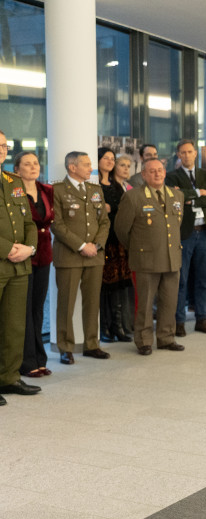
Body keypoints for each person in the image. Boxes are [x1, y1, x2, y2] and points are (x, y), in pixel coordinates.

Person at [115, 159, 185, 355]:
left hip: (172, 258)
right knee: (145, 304)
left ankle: (166, 338)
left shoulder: (177, 195)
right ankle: (144, 340)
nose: (157, 174)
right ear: (143, 175)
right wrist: (139, 247)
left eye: (160, 170)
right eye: (152, 171)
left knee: (169, 301)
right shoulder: (133, 197)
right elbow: (122, 230)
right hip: (145, 259)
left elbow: (176, 224)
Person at [51, 151, 111, 365]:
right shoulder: (57, 190)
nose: (90, 168)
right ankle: (65, 348)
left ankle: (92, 344)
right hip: (69, 256)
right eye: (86, 164)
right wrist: (81, 245)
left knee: (92, 302)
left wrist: (96, 245)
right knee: (66, 303)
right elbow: (56, 224)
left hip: (95, 255)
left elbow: (104, 221)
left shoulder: (95, 190)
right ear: (72, 167)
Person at [166, 139, 206, 336]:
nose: (187, 155)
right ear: (178, 155)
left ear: (195, 153)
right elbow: (174, 198)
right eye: (183, 152)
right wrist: (198, 192)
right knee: (181, 280)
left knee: (203, 280)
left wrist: (189, 197)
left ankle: (202, 319)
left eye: (190, 152)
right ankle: (179, 321)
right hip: (184, 234)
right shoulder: (172, 177)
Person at [1, 142, 42, 403]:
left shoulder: (12, 180)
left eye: (3, 145)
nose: (1, 149)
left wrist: (29, 247)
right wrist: (7, 248)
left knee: (14, 325)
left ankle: (8, 377)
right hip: (3, 256)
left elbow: (28, 220)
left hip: (19, 263)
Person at [15, 152, 53, 378]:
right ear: (17, 169)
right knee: (24, 310)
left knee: (38, 308)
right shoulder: (13, 191)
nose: (33, 167)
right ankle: (26, 361)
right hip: (23, 254)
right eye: (27, 164)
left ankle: (40, 357)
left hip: (44, 254)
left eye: (36, 163)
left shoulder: (47, 190)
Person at [97, 147, 133, 344]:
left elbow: (126, 208)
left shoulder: (117, 185)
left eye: (112, 158)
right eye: (106, 158)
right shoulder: (94, 185)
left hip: (119, 240)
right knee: (105, 286)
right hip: (104, 241)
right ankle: (105, 328)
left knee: (119, 286)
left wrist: (113, 208)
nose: (110, 161)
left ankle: (118, 327)